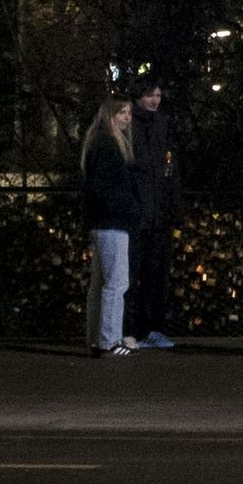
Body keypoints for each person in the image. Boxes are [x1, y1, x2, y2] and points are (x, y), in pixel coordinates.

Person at [79, 94, 147, 357]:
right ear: (110, 115)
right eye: (122, 113)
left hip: (102, 220)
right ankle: (109, 340)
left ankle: (97, 338)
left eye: (129, 113)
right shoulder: (108, 145)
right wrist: (127, 208)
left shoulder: (98, 143)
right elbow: (107, 186)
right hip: (112, 221)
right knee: (117, 282)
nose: (127, 118)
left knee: (101, 283)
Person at [124, 78, 180, 351]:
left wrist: (172, 207)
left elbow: (171, 168)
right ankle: (130, 330)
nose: (155, 100)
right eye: (150, 95)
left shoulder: (162, 124)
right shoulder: (129, 123)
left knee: (155, 275)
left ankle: (150, 328)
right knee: (132, 274)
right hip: (139, 213)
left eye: (158, 94)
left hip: (157, 213)